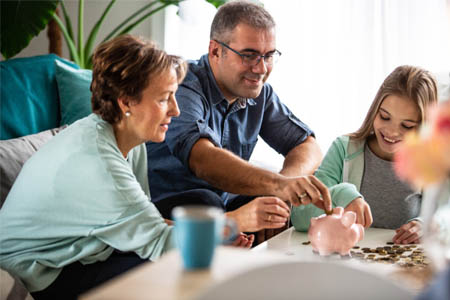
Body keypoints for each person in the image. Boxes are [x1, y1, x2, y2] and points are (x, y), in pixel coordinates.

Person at [0, 35, 252, 300]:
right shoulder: (100, 163)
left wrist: (215, 238)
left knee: (202, 200)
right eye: (164, 99)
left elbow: (146, 219)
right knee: (173, 272)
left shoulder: (124, 137)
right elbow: (160, 243)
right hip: (48, 269)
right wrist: (231, 225)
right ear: (126, 101)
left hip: (88, 244)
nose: (176, 110)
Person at [146, 0, 332, 236]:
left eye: (269, 55)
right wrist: (278, 185)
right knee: (206, 201)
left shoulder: (260, 93)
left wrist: (281, 189)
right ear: (215, 51)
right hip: (167, 208)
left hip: (222, 205)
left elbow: (307, 146)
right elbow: (203, 160)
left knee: (277, 211)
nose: (261, 68)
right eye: (249, 55)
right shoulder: (182, 84)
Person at [291, 65, 438, 244]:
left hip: (403, 266)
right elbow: (299, 218)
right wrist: (341, 194)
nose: (392, 132)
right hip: (347, 263)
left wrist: (425, 225)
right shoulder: (343, 149)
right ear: (375, 110)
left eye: (407, 126)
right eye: (384, 117)